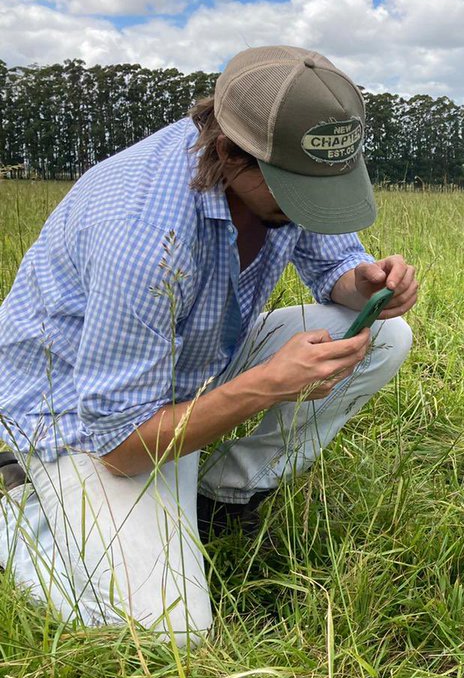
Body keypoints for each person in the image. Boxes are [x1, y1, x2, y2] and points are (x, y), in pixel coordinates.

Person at [0, 45, 417, 645]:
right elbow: (120, 444)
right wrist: (269, 382)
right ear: (227, 153)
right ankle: (26, 510)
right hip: (81, 416)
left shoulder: (287, 159)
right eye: (296, 192)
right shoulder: (143, 234)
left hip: (192, 361)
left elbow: (337, 268)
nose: (310, 207)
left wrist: (367, 285)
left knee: (383, 335)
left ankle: (220, 495)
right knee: (170, 632)